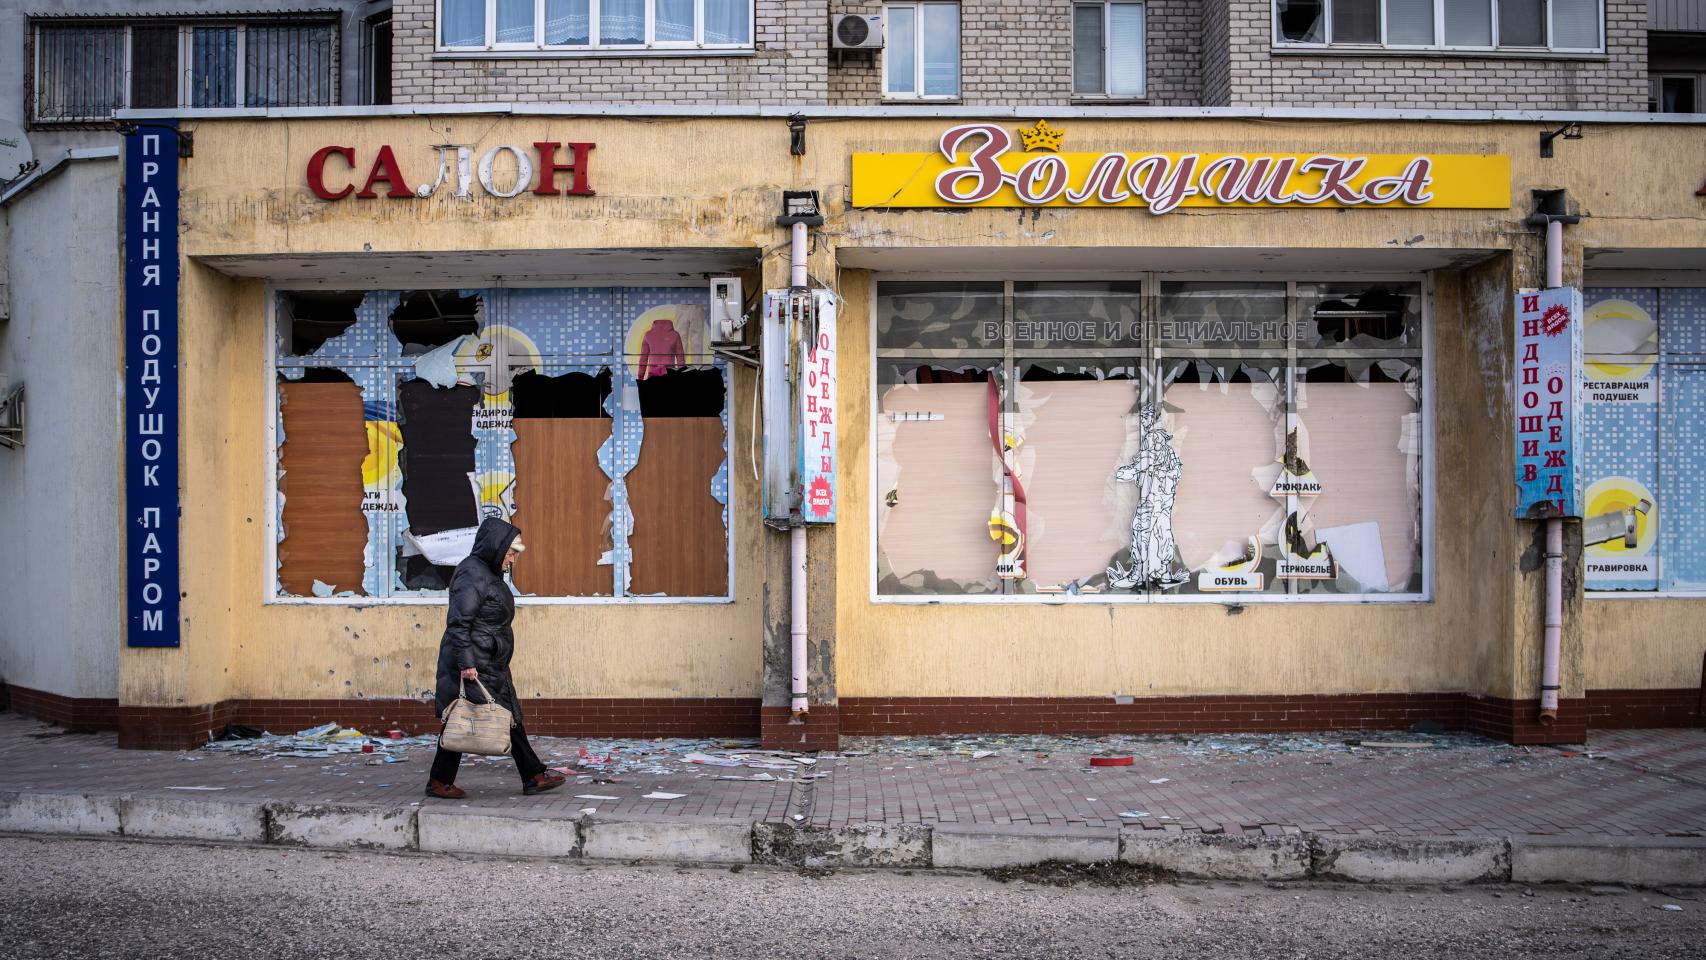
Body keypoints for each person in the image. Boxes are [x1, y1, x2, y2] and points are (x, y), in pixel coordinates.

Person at [425, 517, 566, 799]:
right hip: (475, 663)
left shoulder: (486, 573)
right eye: (510, 553)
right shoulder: (472, 574)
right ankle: (530, 775)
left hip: (489, 661)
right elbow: (459, 622)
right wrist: (467, 664)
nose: (512, 560)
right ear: (495, 547)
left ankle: (532, 775)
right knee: (467, 717)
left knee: (497, 716)